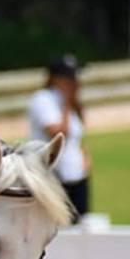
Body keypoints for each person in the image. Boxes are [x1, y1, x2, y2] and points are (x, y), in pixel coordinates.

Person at [27, 54, 90, 222]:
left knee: (81, 223)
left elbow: (78, 135)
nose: (74, 82)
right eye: (69, 77)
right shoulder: (43, 99)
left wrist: (85, 158)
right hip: (55, 175)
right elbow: (60, 134)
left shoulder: (67, 102)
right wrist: (67, 104)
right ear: (55, 78)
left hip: (76, 174)